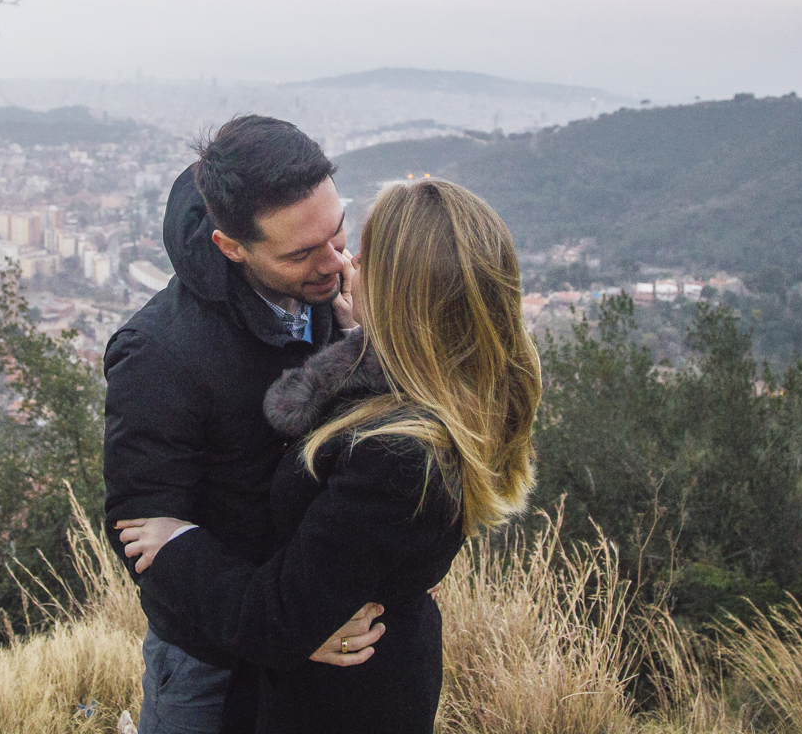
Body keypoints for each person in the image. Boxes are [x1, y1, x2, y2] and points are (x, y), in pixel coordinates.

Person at [118, 178, 544, 734]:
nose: (346, 261)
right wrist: (359, 335)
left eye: (365, 257)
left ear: (402, 300)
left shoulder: (396, 457)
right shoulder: (464, 390)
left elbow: (281, 619)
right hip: (380, 672)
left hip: (335, 701)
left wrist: (176, 545)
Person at [104, 116, 379, 734]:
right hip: (212, 657)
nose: (334, 263)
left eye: (338, 234)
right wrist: (283, 627)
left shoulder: (335, 303)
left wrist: (366, 341)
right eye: (302, 253)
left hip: (325, 623)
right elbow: (141, 528)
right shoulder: (158, 353)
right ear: (231, 246)